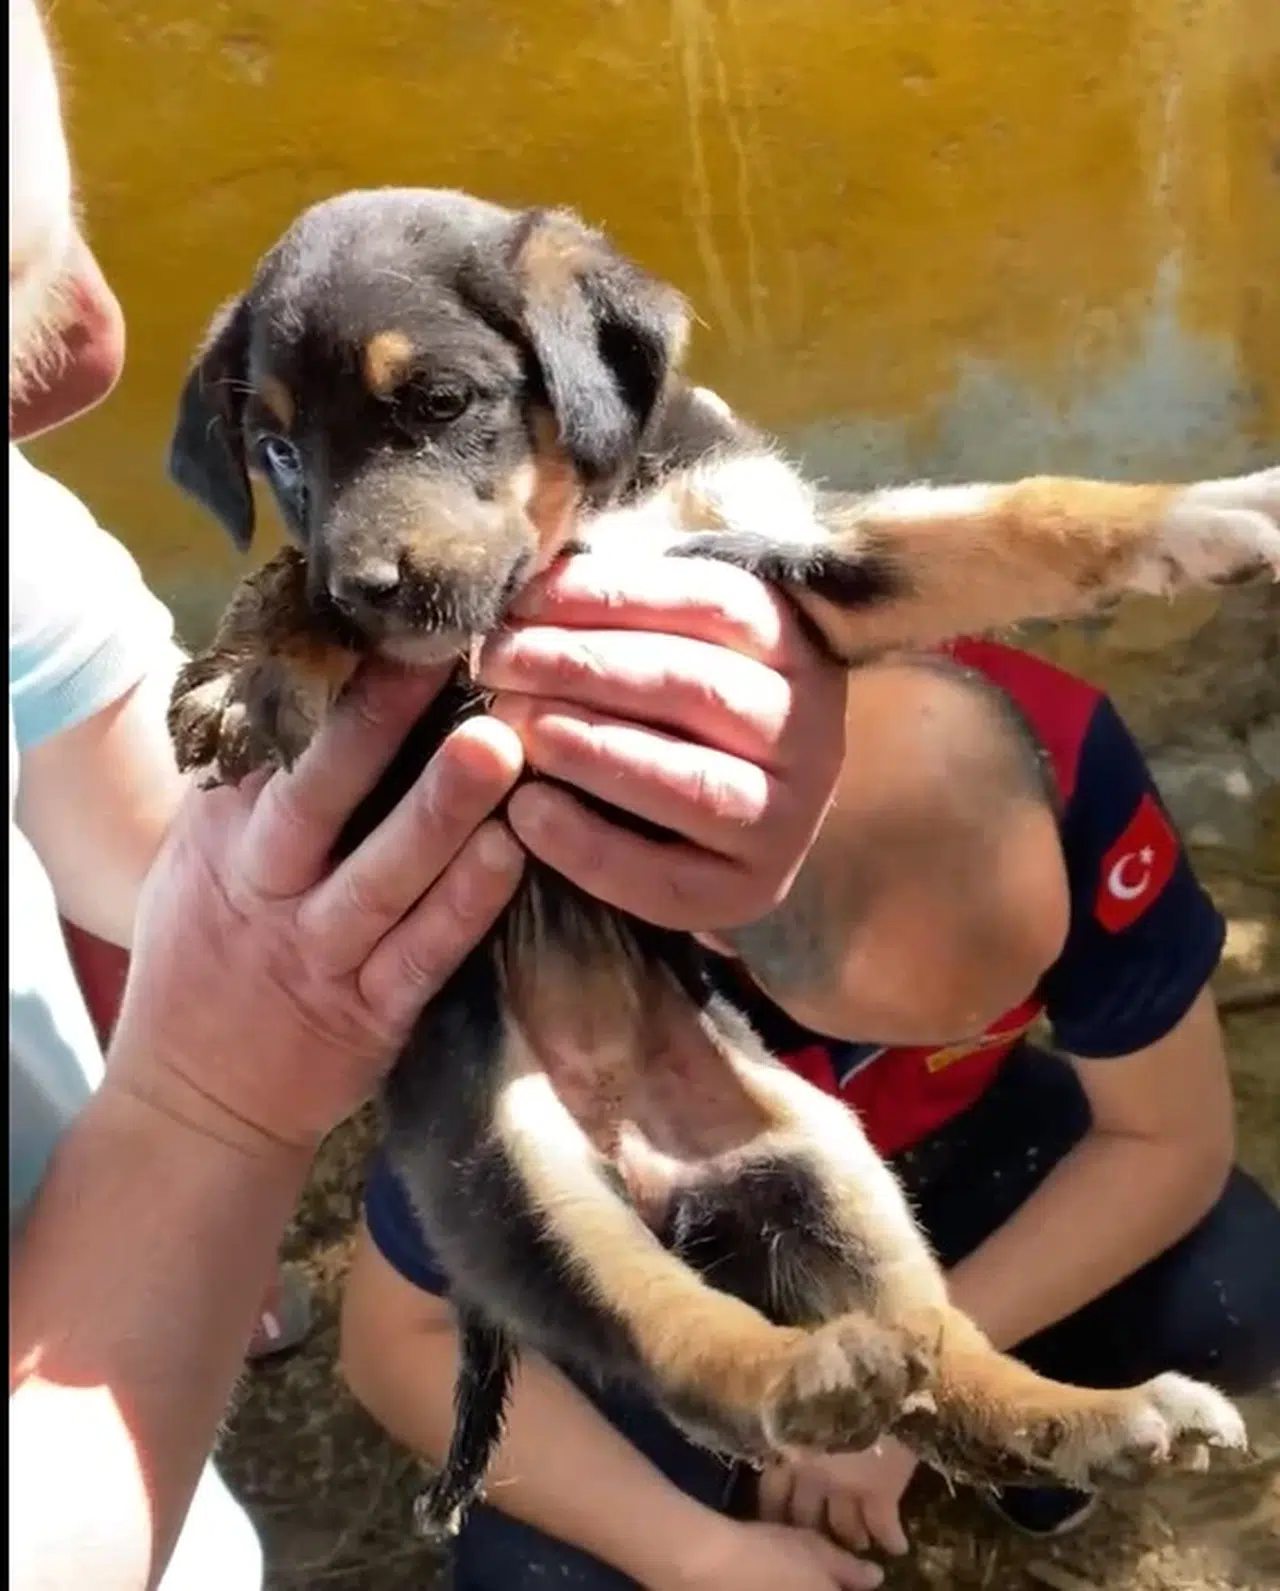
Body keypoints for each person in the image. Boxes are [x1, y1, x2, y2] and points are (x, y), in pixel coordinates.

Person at [8, 5, 849, 1587]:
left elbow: (181, 849)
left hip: (161, 1472)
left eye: (29, 274)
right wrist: (215, 1104)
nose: (82, 359)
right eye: (6, 307)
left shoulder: (15, 554)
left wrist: (667, 777)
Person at [340, 635, 1280, 1591]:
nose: (1008, 1016)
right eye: (919, 1019)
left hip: (941, 1165)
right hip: (676, 1254)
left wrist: (921, 1394)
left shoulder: (1063, 756)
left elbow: (1169, 1137)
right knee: (548, 1578)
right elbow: (394, 1341)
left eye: (1019, 989)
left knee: (1236, 1290)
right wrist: (698, 1555)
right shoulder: (556, 940)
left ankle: (1005, 1433)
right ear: (720, 935)